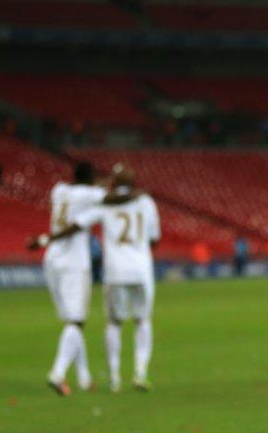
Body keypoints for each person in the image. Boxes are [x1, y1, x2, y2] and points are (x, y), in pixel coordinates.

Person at [32, 165, 161, 393]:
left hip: (70, 262)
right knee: (140, 320)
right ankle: (140, 373)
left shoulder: (59, 189)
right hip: (137, 269)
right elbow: (153, 238)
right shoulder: (143, 202)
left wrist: (45, 239)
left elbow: (78, 223)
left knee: (102, 323)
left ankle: (108, 378)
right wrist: (140, 193)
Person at [33, 162, 105, 396]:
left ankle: (84, 378)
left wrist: (44, 241)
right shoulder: (92, 197)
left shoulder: (59, 190)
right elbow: (106, 195)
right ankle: (57, 373)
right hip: (74, 264)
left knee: (72, 323)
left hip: (52, 261)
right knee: (76, 322)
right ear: (91, 178)